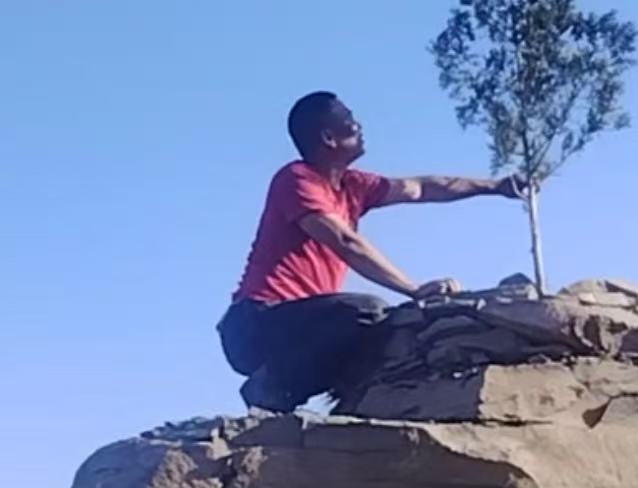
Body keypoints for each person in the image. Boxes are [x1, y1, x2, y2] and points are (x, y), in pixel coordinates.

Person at [218, 92, 525, 411]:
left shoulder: (353, 185)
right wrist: (413, 289)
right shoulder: (296, 179)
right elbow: (345, 241)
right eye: (350, 120)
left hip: (304, 325)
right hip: (255, 324)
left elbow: (421, 188)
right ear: (329, 137)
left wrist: (495, 186)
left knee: (378, 333)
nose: (360, 125)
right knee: (366, 312)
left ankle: (333, 405)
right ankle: (269, 387)